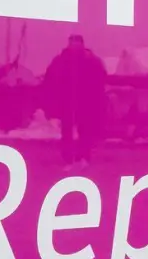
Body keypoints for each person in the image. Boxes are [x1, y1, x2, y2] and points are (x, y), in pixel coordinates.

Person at [43, 34, 108, 169]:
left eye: (76, 42)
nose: (74, 45)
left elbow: (100, 81)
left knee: (84, 130)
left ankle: (82, 157)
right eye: (72, 42)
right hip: (67, 101)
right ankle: (69, 158)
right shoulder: (61, 60)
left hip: (85, 102)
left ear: (82, 44)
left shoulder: (91, 61)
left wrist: (97, 100)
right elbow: (50, 80)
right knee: (67, 131)